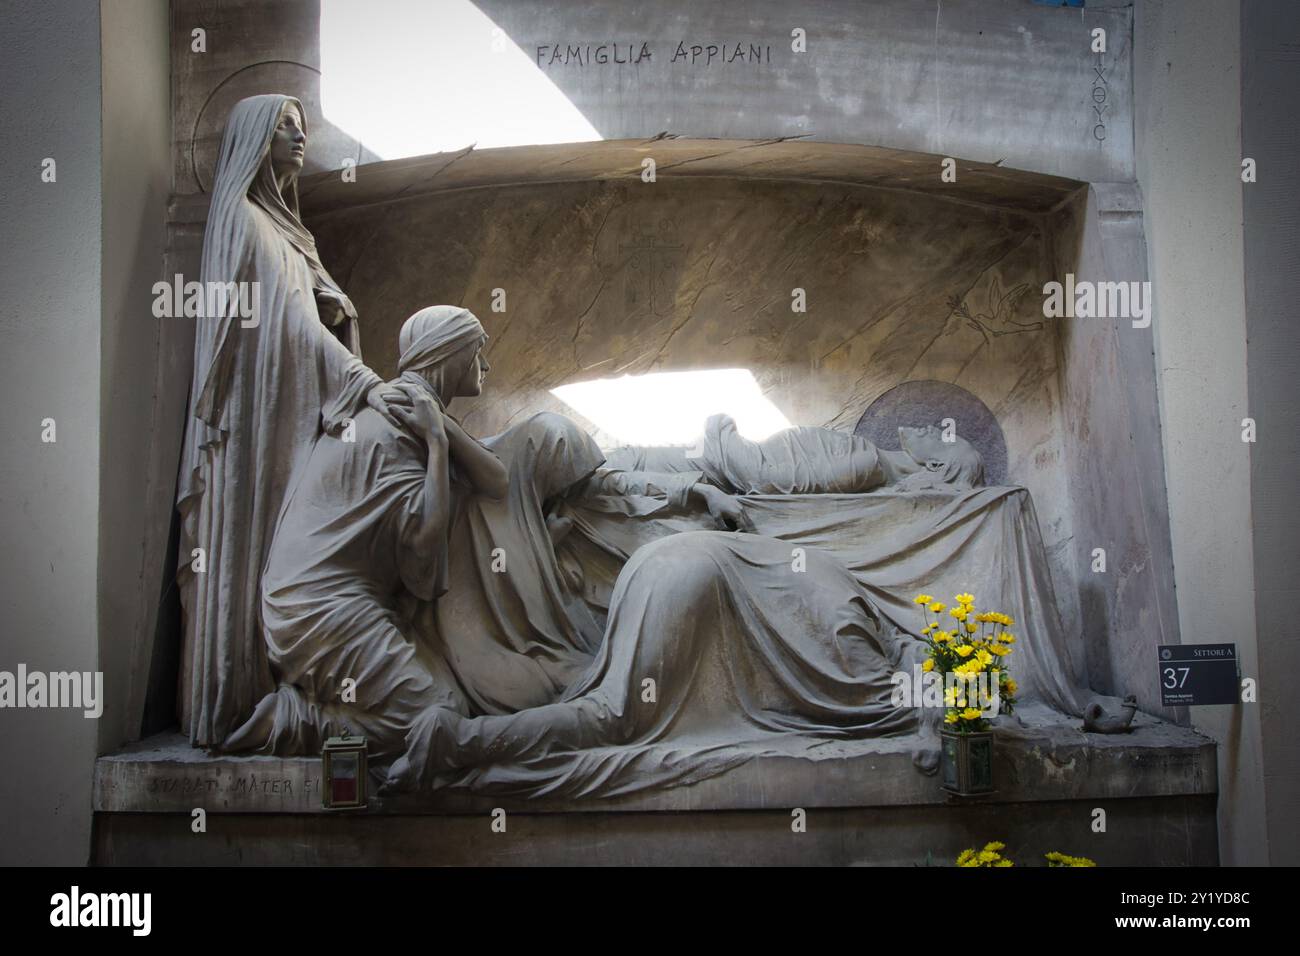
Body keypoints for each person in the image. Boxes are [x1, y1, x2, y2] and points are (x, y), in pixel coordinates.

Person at [176, 94, 410, 747]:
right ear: (255, 137)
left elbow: (303, 319)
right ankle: (235, 695)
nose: (297, 137)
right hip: (258, 417)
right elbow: (285, 327)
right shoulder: (243, 222)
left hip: (289, 406)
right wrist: (364, 381)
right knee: (257, 540)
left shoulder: (282, 231)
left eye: (302, 128)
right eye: (284, 127)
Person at [223, 306, 506, 759]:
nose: (486, 366)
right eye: (478, 352)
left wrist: (442, 435)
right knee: (441, 715)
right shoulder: (401, 429)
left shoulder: (413, 409)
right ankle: (294, 724)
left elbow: (497, 480)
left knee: (463, 702)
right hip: (318, 608)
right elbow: (422, 555)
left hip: (326, 599)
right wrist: (436, 447)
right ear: (451, 356)